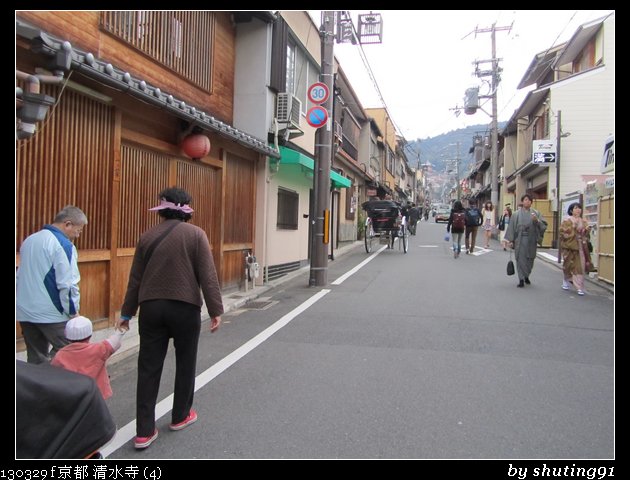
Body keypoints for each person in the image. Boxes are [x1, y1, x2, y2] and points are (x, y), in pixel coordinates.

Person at [117, 187, 224, 450]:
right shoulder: (196, 234)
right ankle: (180, 416)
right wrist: (215, 310)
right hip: (185, 307)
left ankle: (144, 432)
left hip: (151, 308)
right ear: (186, 208)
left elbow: (136, 280)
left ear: (162, 209)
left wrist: (126, 313)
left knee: (148, 367)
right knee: (186, 362)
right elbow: (207, 275)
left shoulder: (146, 237)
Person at [16, 205, 88, 364]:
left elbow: (19, 275)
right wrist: (73, 312)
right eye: (78, 229)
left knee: (35, 357)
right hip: (52, 314)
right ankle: (59, 385)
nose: (78, 234)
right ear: (67, 224)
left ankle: (36, 386)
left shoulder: (30, 240)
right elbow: (68, 284)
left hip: (25, 311)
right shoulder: (63, 245)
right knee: (71, 351)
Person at [51, 315, 127, 399]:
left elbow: (54, 374)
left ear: (67, 336)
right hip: (96, 395)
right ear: (90, 334)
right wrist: (121, 329)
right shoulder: (98, 349)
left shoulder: (60, 354)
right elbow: (114, 342)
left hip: (72, 395)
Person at [504, 194, 548, 288]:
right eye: (525, 200)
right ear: (522, 202)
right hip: (520, 239)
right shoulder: (516, 214)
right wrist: (511, 240)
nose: (527, 201)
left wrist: (537, 221)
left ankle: (526, 275)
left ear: (531, 202)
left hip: (531, 239)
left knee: (530, 259)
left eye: (528, 200)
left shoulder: (536, 213)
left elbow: (543, 226)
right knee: (520, 259)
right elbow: (512, 227)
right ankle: (521, 279)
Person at [559, 202, 592, 296]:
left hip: (580, 246)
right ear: (571, 210)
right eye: (576, 208)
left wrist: (586, 230)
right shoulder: (567, 220)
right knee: (568, 264)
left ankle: (579, 287)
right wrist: (572, 228)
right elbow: (562, 233)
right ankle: (566, 280)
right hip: (569, 247)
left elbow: (585, 234)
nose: (578, 210)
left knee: (579, 266)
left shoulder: (583, 221)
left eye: (579, 208)